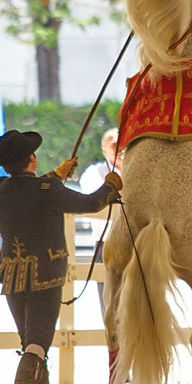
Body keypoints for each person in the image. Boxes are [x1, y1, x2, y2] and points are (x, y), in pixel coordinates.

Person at [0, 129, 122, 384]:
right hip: (44, 276)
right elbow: (91, 203)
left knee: (31, 346)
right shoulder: (46, 188)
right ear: (31, 159)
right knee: (37, 345)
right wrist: (110, 186)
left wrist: (56, 175)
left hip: (12, 276)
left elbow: (29, 192)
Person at [78, 128, 123, 314]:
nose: (121, 148)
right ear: (105, 150)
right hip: (107, 244)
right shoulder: (94, 172)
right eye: (115, 145)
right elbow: (95, 200)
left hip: (137, 242)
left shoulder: (138, 171)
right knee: (110, 306)